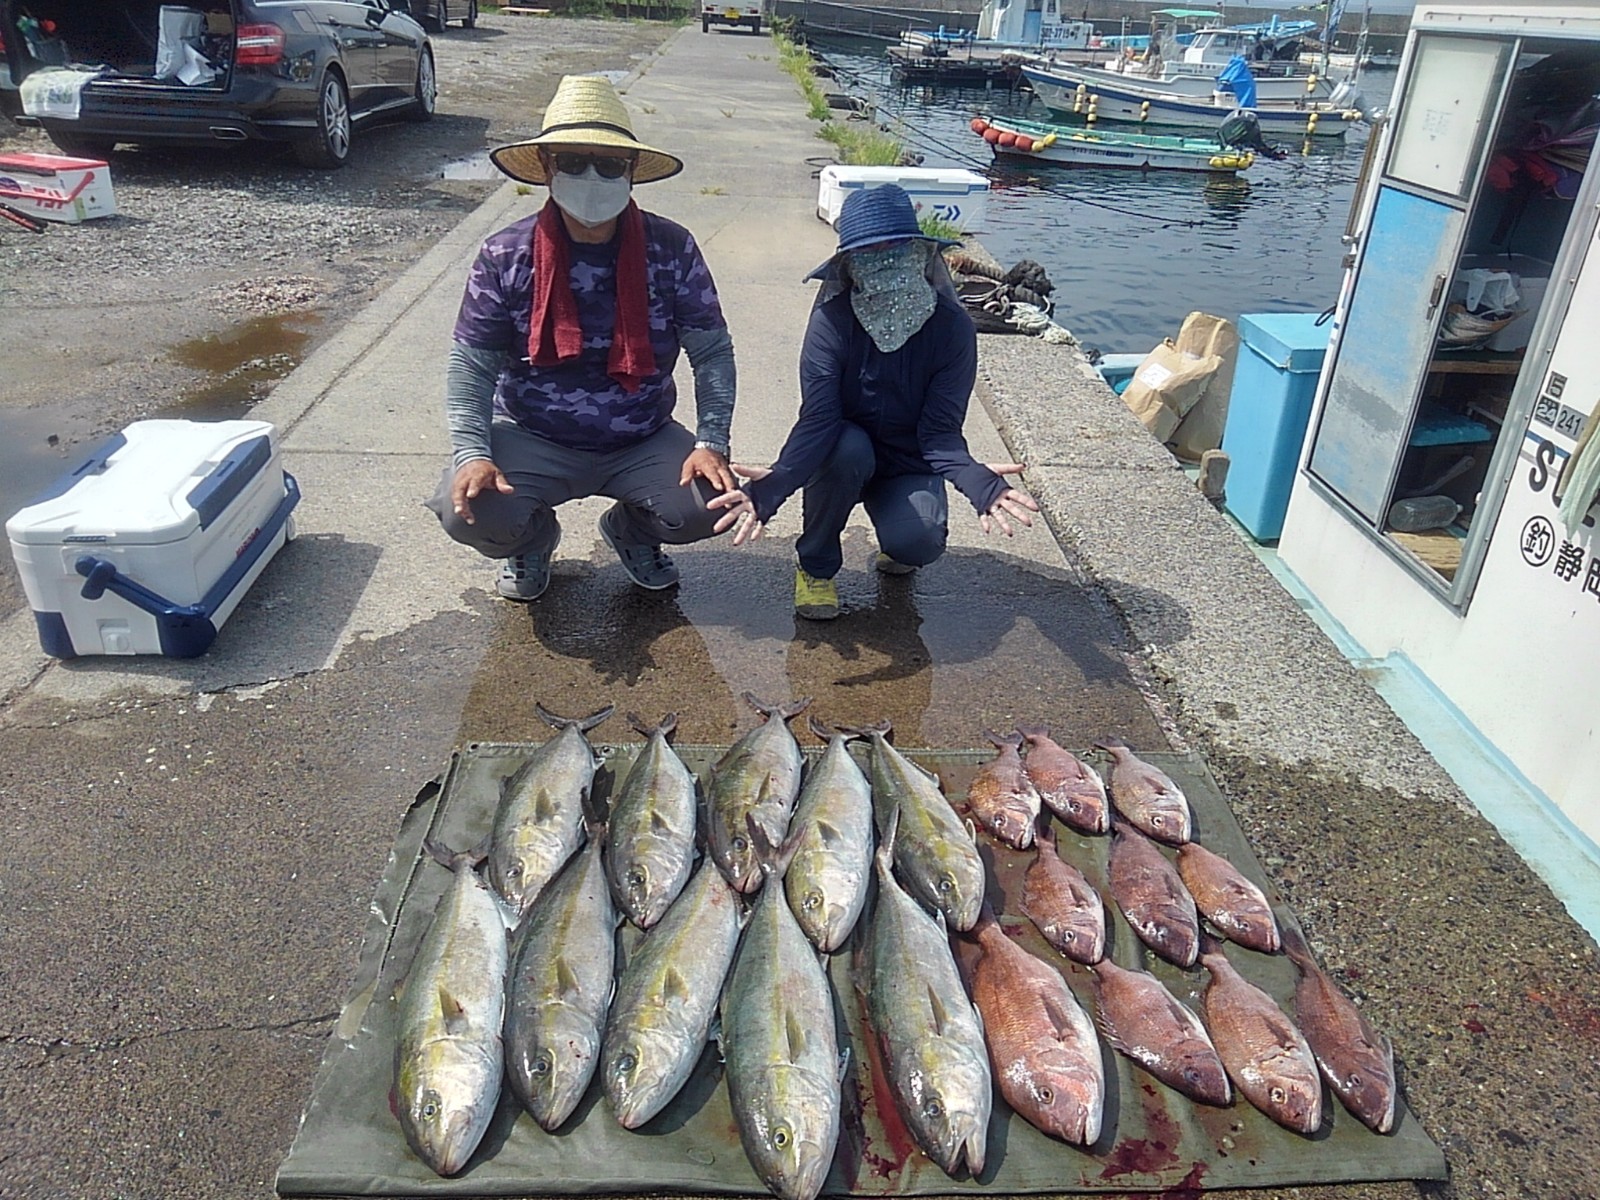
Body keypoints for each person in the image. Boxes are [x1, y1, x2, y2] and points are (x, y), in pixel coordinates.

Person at [426, 74, 736, 601]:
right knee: (470, 511)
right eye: (573, 161)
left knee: (713, 504)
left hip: (642, 433)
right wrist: (472, 453)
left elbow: (711, 351)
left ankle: (631, 530)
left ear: (632, 172)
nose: (591, 177)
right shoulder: (505, 255)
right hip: (532, 432)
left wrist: (712, 442)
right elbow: (471, 367)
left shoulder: (672, 247)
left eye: (609, 164)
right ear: (547, 168)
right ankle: (532, 538)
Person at [708, 184, 1038, 621]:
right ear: (849, 266)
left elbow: (940, 434)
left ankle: (898, 533)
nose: (884, 260)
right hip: (842, 455)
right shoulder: (832, 321)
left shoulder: (952, 328)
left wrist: (980, 484)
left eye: (895, 247)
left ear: (921, 253)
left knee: (919, 543)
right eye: (868, 252)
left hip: (908, 460)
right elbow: (818, 421)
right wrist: (771, 488)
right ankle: (816, 567)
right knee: (845, 446)